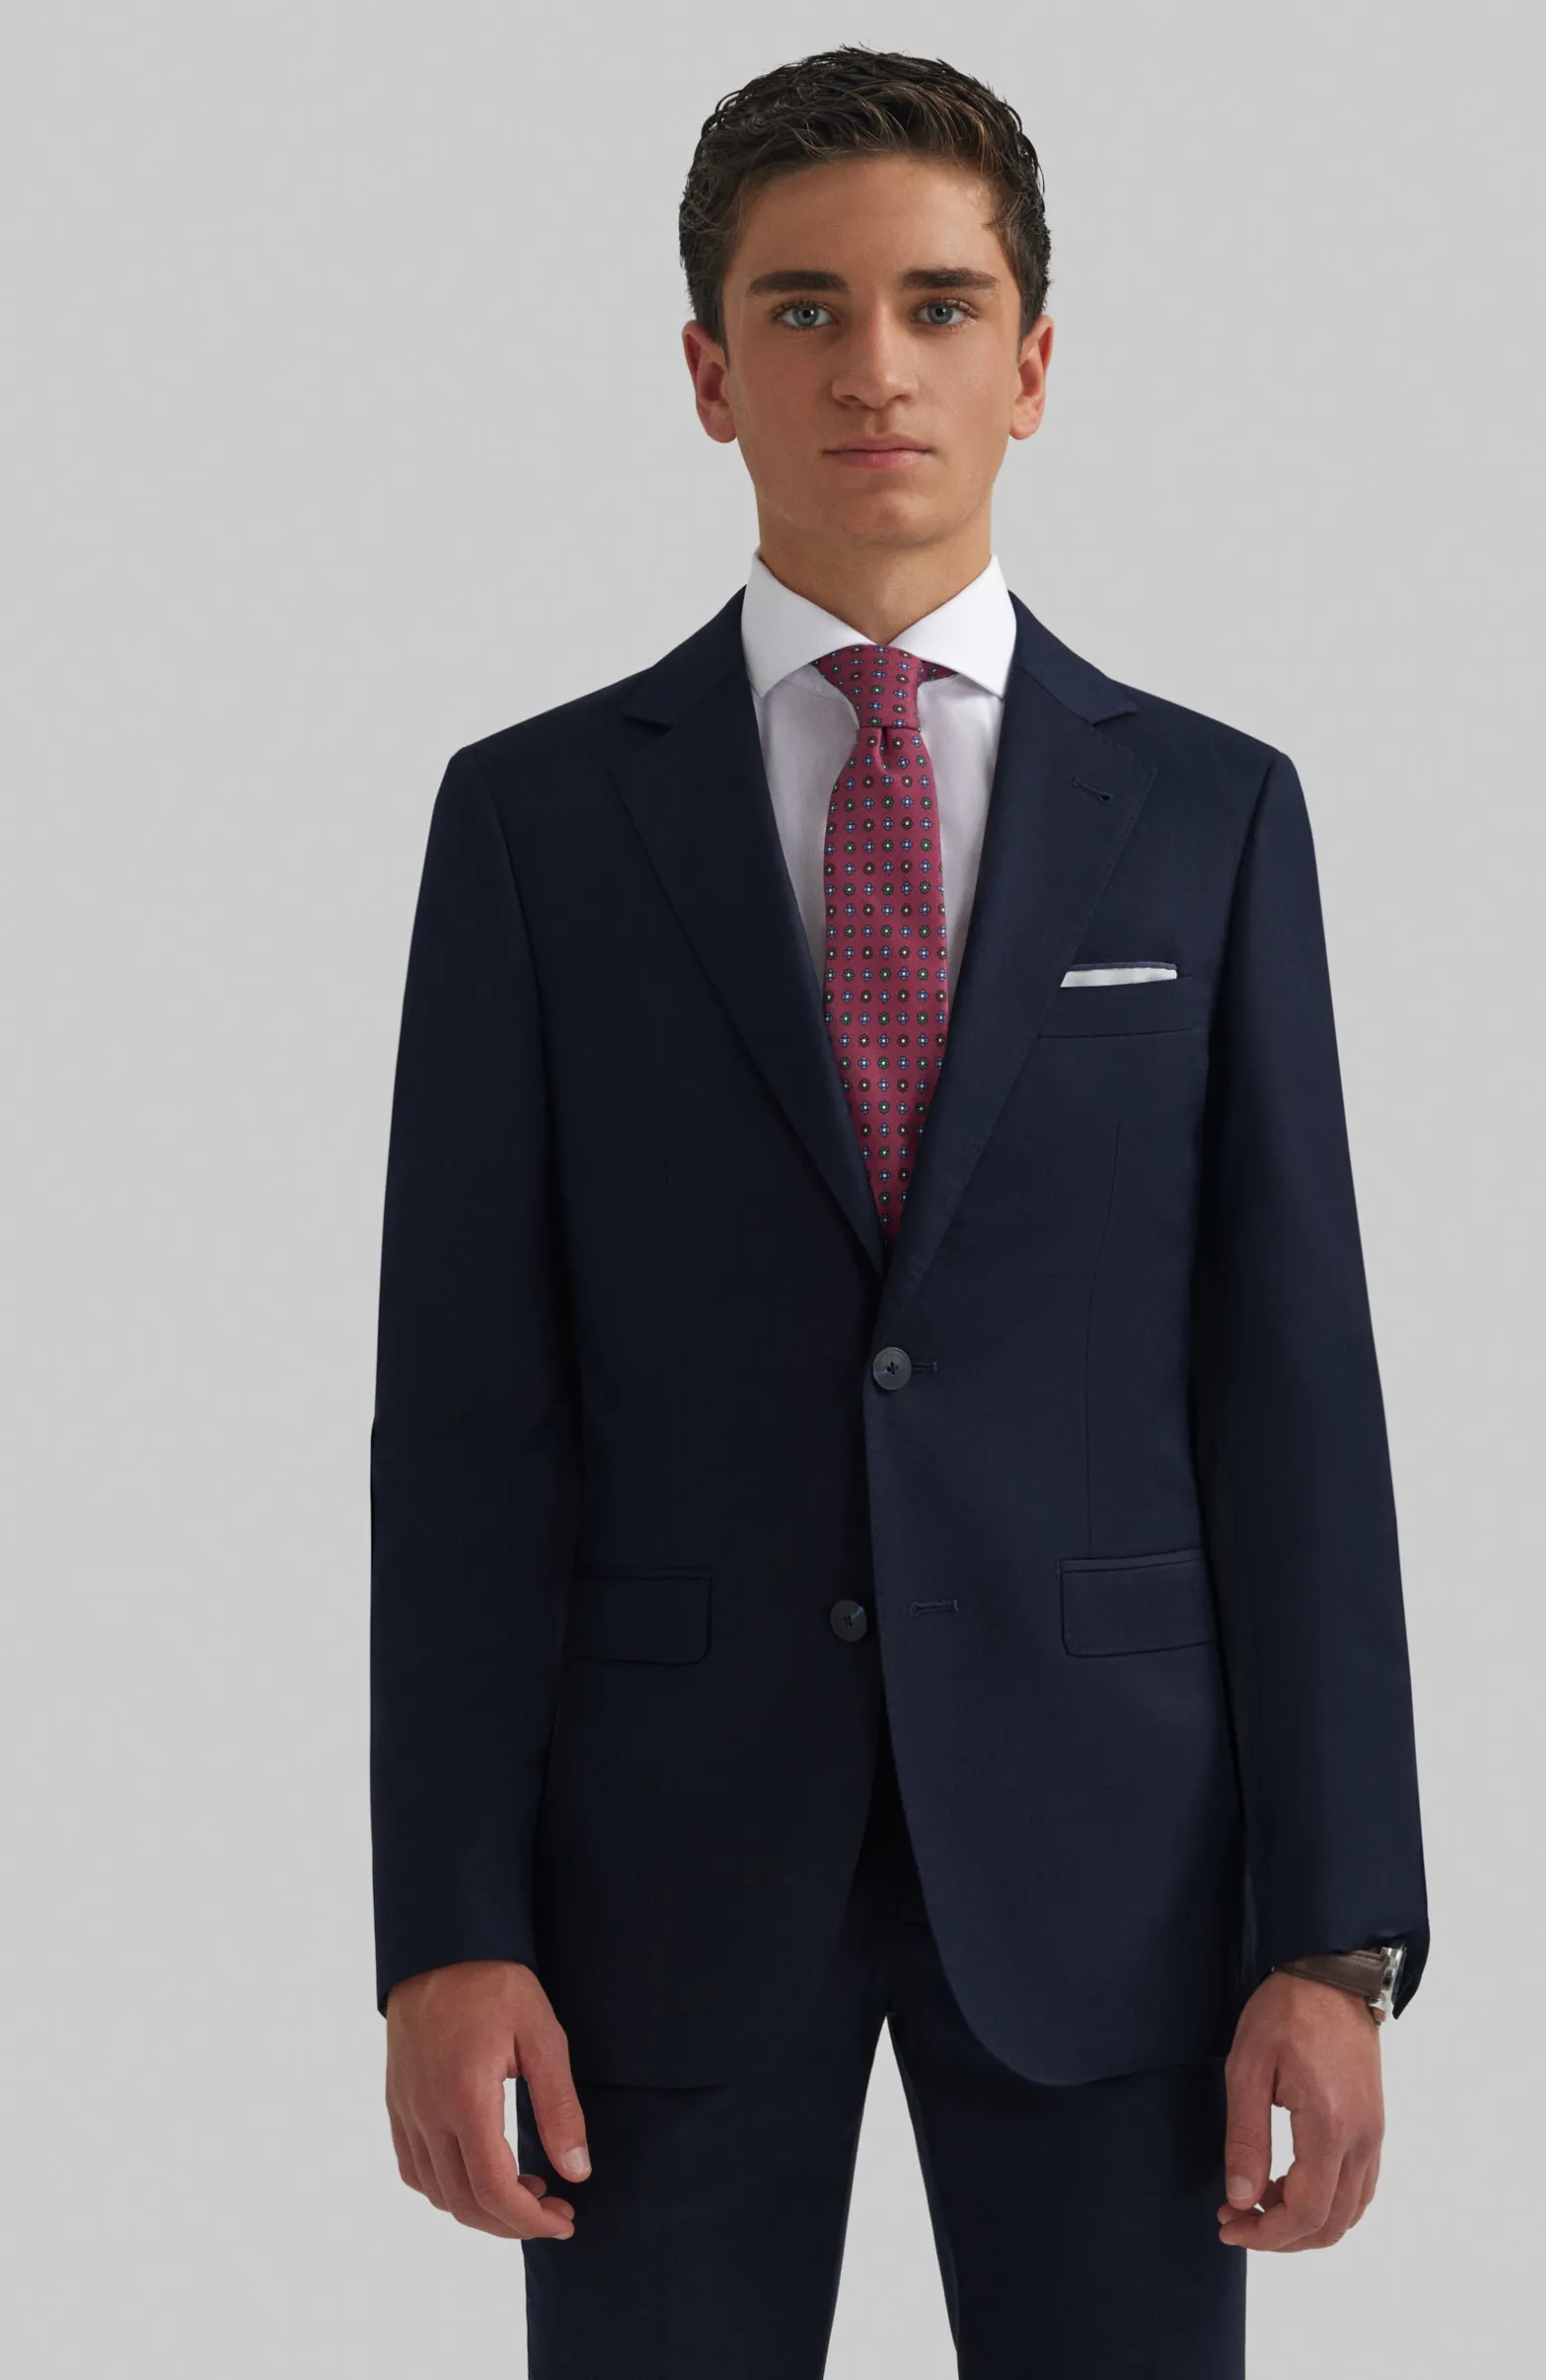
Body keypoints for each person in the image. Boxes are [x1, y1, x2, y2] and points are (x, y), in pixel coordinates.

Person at [370, 46, 1429, 2378]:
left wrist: (1336, 1937)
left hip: (1120, 1878)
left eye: (940, 306)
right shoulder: (535, 827)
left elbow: (1293, 1396)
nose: (875, 367)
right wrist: (443, 1926)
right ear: (706, 372)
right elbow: (463, 1420)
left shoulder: (1213, 818)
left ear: (1031, 365)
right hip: (656, 1883)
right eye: (807, 308)